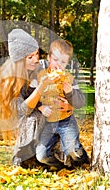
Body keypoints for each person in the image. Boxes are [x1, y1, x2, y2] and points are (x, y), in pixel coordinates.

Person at [0, 29, 60, 167]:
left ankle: (49, 151)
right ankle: (26, 154)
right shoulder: (10, 80)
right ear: (19, 61)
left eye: (36, 54)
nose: (36, 59)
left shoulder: (41, 67)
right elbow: (23, 111)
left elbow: (60, 69)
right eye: (30, 57)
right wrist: (40, 88)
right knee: (32, 118)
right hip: (27, 122)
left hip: (50, 122)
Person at [36, 39, 89, 169]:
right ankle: (59, 166)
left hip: (66, 121)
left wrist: (70, 92)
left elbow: (80, 102)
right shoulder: (41, 76)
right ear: (49, 57)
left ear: (67, 63)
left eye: (63, 62)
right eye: (55, 60)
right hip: (48, 123)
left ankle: (84, 161)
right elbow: (31, 96)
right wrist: (41, 107)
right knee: (41, 156)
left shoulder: (69, 79)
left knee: (74, 152)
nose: (58, 65)